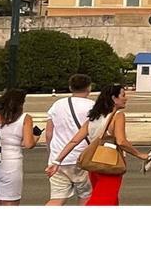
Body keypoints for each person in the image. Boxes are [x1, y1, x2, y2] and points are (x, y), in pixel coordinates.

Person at [49, 83, 151, 205]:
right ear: (114, 98)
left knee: (109, 200)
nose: (126, 98)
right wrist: (141, 155)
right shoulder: (118, 116)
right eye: (123, 95)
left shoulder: (94, 117)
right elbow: (121, 141)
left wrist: (57, 161)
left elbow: (74, 141)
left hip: (94, 165)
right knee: (103, 201)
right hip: (110, 165)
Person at [42, 73, 95, 205]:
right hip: (83, 158)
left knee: (57, 198)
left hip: (59, 158)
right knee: (86, 195)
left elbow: (49, 133)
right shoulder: (93, 106)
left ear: (71, 87)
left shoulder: (57, 105)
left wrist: (53, 154)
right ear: (89, 87)